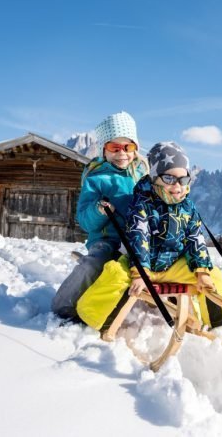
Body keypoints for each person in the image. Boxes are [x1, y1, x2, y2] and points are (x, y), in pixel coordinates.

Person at [124, 141, 222, 329]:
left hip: (172, 266)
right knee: (113, 275)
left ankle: (221, 325)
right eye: (169, 179)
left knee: (212, 275)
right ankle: (97, 320)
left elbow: (195, 239)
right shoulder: (142, 203)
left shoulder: (187, 207)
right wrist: (140, 273)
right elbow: (138, 237)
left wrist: (201, 270)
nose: (177, 185)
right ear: (154, 177)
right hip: (142, 267)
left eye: (183, 180)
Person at [52, 111, 148, 319]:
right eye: (114, 147)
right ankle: (64, 306)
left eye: (127, 147)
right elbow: (85, 221)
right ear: (104, 150)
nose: (121, 153)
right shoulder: (96, 178)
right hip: (108, 239)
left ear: (135, 148)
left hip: (138, 241)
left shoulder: (143, 177)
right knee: (95, 263)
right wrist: (99, 210)